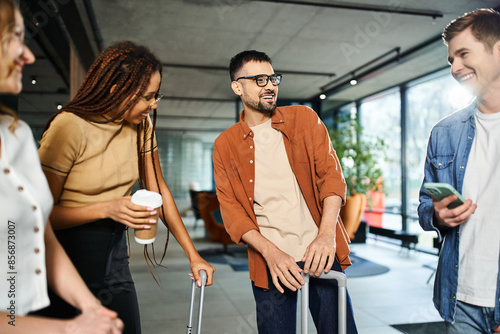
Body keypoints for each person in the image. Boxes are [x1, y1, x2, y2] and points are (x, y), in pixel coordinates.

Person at [35, 41, 215, 333]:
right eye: (147, 96)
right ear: (116, 89)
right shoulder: (69, 126)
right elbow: (37, 215)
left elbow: (161, 192)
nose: (154, 104)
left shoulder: (141, 127)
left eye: (157, 95)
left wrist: (193, 255)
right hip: (64, 261)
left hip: (114, 258)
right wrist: (106, 208)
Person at [213, 50, 357, 334]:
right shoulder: (225, 144)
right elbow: (232, 213)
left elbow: (332, 177)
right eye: (259, 79)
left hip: (321, 253)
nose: (270, 85)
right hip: (270, 263)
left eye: (272, 77)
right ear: (237, 87)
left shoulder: (304, 118)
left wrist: (326, 235)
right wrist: (271, 253)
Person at [0, 0, 123, 332]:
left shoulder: (16, 134)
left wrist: (91, 307)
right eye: (15, 37)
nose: (28, 55)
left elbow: (40, 230)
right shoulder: (69, 126)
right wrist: (66, 329)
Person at [418, 8, 500, 334]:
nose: (455, 67)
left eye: (464, 54)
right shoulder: (444, 132)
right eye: (451, 58)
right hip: (459, 301)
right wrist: (438, 216)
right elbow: (425, 207)